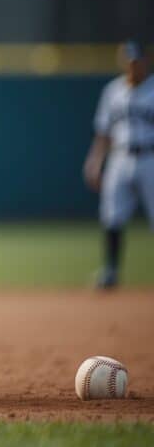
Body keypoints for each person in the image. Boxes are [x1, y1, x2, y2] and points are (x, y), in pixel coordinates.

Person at [83, 40, 154, 290]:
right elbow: (103, 132)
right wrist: (95, 161)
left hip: (150, 157)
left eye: (136, 61)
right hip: (120, 156)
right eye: (129, 62)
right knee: (112, 214)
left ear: (146, 61)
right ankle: (111, 271)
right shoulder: (112, 91)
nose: (133, 66)